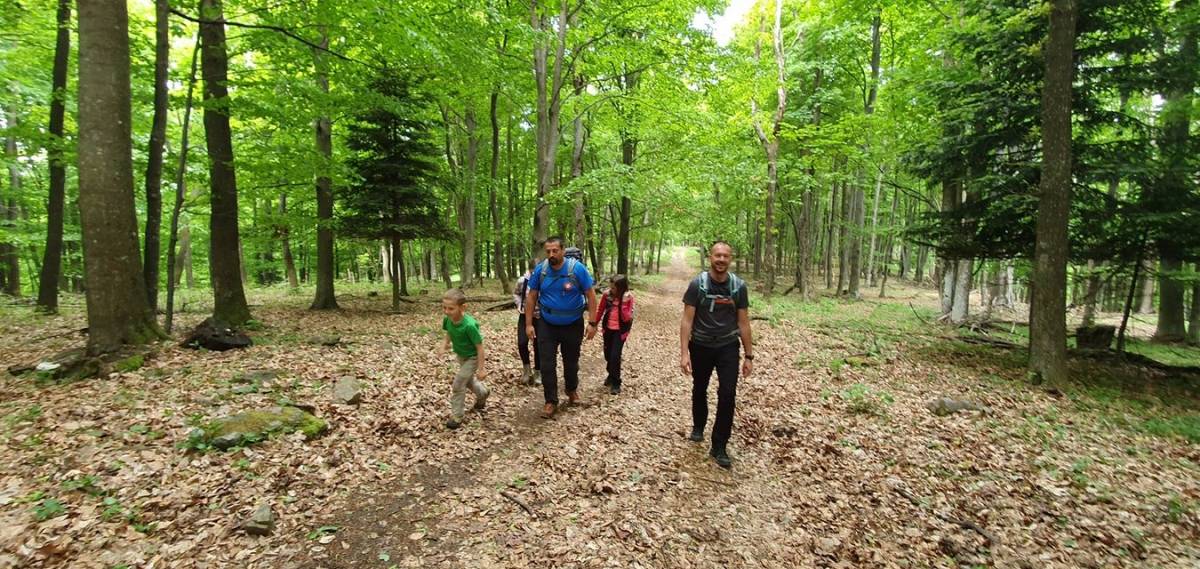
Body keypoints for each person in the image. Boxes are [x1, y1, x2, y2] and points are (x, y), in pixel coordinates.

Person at [679, 241, 753, 468]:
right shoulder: (697, 285)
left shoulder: (738, 287)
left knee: (728, 394)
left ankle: (719, 445)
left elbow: (743, 322)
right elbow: (687, 320)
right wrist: (684, 353)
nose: (721, 260)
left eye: (725, 256)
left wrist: (749, 356)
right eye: (717, 255)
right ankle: (699, 426)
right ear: (710, 257)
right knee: (699, 387)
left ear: (731, 259)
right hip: (700, 345)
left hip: (728, 347)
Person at [525, 236, 598, 418]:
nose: (551, 254)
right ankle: (550, 401)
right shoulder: (541, 271)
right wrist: (528, 324)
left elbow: (591, 295)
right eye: (548, 251)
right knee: (547, 363)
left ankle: (572, 391)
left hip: (573, 323)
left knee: (571, 361)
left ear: (563, 250)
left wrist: (592, 323)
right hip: (547, 323)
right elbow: (531, 296)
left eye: (555, 250)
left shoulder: (577, 269)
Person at [441, 288, 490, 430]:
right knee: (467, 381)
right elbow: (449, 332)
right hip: (461, 356)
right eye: (444, 307)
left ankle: (457, 416)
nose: (447, 311)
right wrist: (444, 344)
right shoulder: (448, 320)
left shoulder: (469, 325)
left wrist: (481, 369)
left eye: (451, 308)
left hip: (472, 358)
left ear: (463, 307)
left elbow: (480, 348)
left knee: (458, 385)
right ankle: (483, 393)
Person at [595, 274, 634, 395]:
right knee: (608, 355)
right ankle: (611, 374)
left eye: (614, 288)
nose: (611, 290)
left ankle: (616, 382)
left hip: (620, 331)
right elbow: (600, 310)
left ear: (621, 288)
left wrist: (622, 302)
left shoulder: (628, 298)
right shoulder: (607, 295)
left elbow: (627, 317)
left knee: (615, 356)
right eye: (610, 287)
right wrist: (594, 323)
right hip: (608, 329)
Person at [513, 262, 542, 386]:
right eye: (532, 271)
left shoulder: (544, 281)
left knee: (538, 345)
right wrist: (519, 304)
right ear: (529, 270)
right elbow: (516, 294)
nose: (534, 274)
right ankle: (526, 369)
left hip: (540, 317)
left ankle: (538, 372)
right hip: (524, 315)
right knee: (522, 342)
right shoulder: (522, 281)